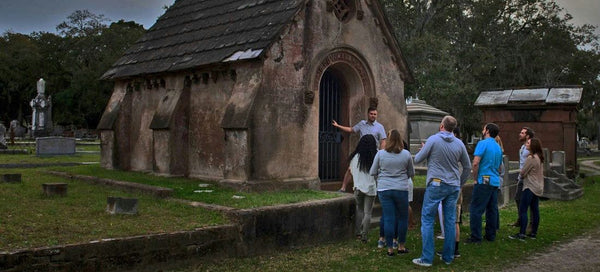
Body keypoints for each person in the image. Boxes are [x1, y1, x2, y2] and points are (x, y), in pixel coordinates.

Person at [412, 116, 472, 267]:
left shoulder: (433, 140)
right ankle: (448, 257)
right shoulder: (459, 144)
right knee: (450, 220)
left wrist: (424, 149)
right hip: (453, 186)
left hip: (436, 184)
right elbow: (467, 167)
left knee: (427, 219)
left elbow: (418, 159)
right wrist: (460, 182)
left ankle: (427, 258)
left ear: (441, 126)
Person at [369, 129, 413, 256]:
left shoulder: (380, 154)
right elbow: (411, 173)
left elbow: (373, 171)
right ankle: (401, 245)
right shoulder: (406, 154)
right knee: (403, 218)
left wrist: (381, 178)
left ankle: (389, 249)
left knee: (388, 218)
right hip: (401, 188)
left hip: (384, 188)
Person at [333, 107, 387, 192]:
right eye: (371, 114)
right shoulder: (362, 124)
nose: (373, 116)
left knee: (375, 171)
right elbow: (351, 129)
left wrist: (381, 153)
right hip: (361, 151)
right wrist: (338, 126)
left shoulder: (380, 127)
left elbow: (383, 141)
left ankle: (378, 189)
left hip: (373, 152)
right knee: (350, 169)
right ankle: (343, 188)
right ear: (368, 114)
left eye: (375, 114)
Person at [467, 123, 504, 243]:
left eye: (484, 129)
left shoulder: (482, 144)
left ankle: (476, 236)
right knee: (492, 209)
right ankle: (490, 235)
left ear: (487, 131)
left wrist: (475, 178)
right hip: (494, 180)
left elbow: (476, 162)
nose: (483, 130)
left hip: (483, 180)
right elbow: (499, 167)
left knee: (476, 209)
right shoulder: (498, 147)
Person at [509, 138, 544, 240]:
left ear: (533, 146)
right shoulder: (540, 157)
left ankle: (522, 233)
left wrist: (522, 174)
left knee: (523, 209)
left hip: (530, 186)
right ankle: (533, 232)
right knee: (535, 209)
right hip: (538, 186)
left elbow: (523, 172)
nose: (526, 145)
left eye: (528, 143)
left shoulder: (531, 158)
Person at [347, 135, 378, 243]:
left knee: (359, 210)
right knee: (368, 213)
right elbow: (377, 173)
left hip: (357, 187)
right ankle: (364, 236)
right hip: (370, 188)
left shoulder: (354, 157)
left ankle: (357, 233)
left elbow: (351, 171)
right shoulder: (374, 157)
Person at [510, 127, 535, 227]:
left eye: (522, 133)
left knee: (531, 202)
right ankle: (521, 219)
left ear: (527, 136)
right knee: (518, 198)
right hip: (521, 177)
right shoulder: (523, 147)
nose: (520, 134)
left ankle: (531, 223)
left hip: (528, 177)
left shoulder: (531, 146)